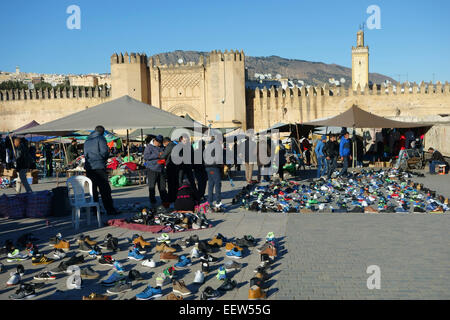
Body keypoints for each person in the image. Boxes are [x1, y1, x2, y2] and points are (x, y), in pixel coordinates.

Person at [84, 125, 118, 215]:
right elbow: (104, 152)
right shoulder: (100, 138)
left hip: (89, 167)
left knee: (93, 190)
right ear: (102, 132)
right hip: (99, 166)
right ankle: (110, 210)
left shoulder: (87, 140)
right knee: (105, 190)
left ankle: (95, 210)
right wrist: (104, 158)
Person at [143, 134, 169, 208]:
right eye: (159, 143)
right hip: (152, 169)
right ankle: (153, 202)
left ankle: (165, 201)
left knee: (162, 187)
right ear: (155, 141)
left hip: (161, 169)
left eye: (161, 143)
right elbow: (146, 156)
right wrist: (158, 155)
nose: (160, 145)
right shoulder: (149, 147)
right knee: (152, 186)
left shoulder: (161, 147)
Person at [204, 136, 223, 210]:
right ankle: (218, 202)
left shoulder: (208, 146)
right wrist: (221, 164)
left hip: (207, 167)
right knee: (218, 184)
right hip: (214, 167)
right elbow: (218, 158)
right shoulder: (217, 146)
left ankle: (209, 201)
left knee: (211, 184)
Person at [160, 137, 180, 204]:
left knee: (171, 183)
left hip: (171, 166)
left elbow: (163, 156)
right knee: (176, 183)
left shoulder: (170, 146)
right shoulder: (176, 145)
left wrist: (160, 155)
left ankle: (171, 198)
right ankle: (177, 197)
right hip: (177, 166)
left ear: (166, 142)